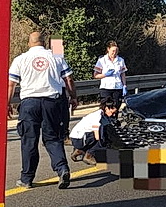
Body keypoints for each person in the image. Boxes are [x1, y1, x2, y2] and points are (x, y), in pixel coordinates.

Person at [7, 32, 78, 189]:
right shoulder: (56, 57)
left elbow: (11, 84)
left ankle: (26, 178)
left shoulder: (20, 59)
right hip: (52, 102)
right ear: (44, 43)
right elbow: (69, 79)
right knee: (53, 138)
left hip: (29, 104)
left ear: (29, 43)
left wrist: (7, 103)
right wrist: (73, 97)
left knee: (29, 141)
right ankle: (62, 169)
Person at [70, 97, 118, 165]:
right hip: (78, 139)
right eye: (112, 112)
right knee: (102, 139)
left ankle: (80, 150)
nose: (114, 115)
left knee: (105, 134)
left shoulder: (104, 115)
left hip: (81, 137)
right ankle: (88, 155)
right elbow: (97, 136)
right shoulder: (98, 116)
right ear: (106, 108)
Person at [94, 40, 128, 107]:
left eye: (116, 51)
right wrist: (105, 75)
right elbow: (96, 75)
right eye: (113, 51)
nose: (114, 53)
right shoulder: (102, 60)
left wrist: (124, 85)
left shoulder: (120, 60)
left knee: (116, 107)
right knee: (106, 108)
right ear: (108, 49)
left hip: (117, 88)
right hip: (106, 88)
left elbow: (122, 74)